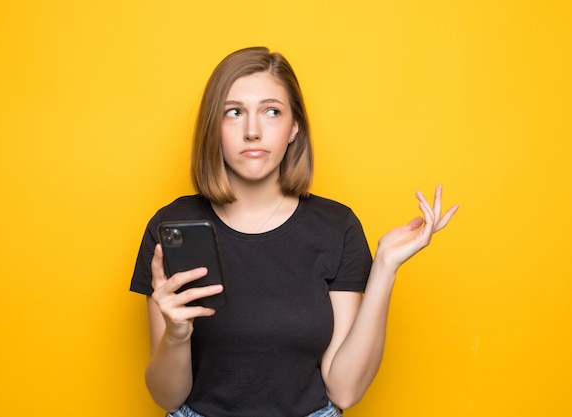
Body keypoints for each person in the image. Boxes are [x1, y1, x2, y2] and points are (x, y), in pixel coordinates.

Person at [130, 46, 458, 417]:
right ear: (213, 127)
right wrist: (176, 334)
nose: (252, 131)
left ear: (294, 127)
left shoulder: (337, 227)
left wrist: (384, 267)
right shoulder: (171, 226)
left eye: (272, 112)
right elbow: (167, 398)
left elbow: (345, 391)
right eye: (234, 113)